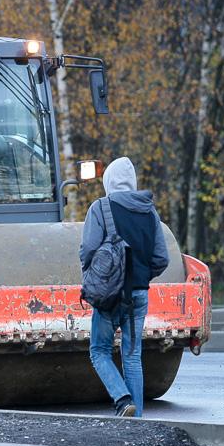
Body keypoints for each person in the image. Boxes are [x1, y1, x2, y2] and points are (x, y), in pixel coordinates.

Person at [79, 157, 169, 417]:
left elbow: (87, 250)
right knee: (132, 356)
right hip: (139, 295)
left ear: (108, 181)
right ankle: (137, 418)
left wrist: (94, 277)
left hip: (109, 296)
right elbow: (161, 258)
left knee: (99, 351)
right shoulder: (149, 211)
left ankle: (122, 399)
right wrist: (141, 278)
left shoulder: (100, 208)